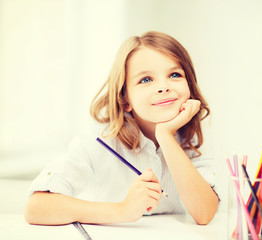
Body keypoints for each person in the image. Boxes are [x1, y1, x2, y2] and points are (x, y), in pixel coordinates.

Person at [25, 31, 219, 226]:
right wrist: (122, 209)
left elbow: (205, 214)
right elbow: (36, 208)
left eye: (174, 74)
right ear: (125, 100)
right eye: (146, 80)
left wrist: (165, 136)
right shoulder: (97, 142)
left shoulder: (195, 139)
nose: (163, 87)